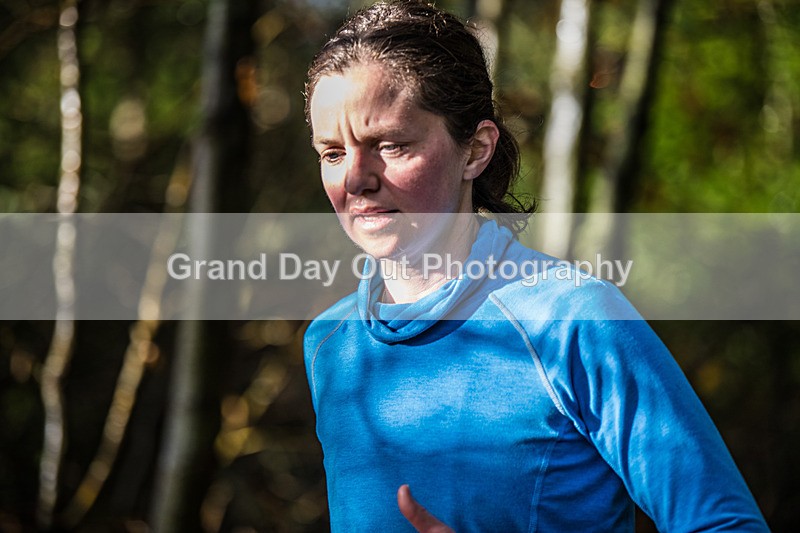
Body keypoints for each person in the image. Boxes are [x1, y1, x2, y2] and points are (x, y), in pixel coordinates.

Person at [302, 1, 769, 531]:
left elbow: (727, 524)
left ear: (475, 150)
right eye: (332, 153)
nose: (355, 179)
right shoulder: (328, 344)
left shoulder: (573, 320)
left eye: (390, 145)